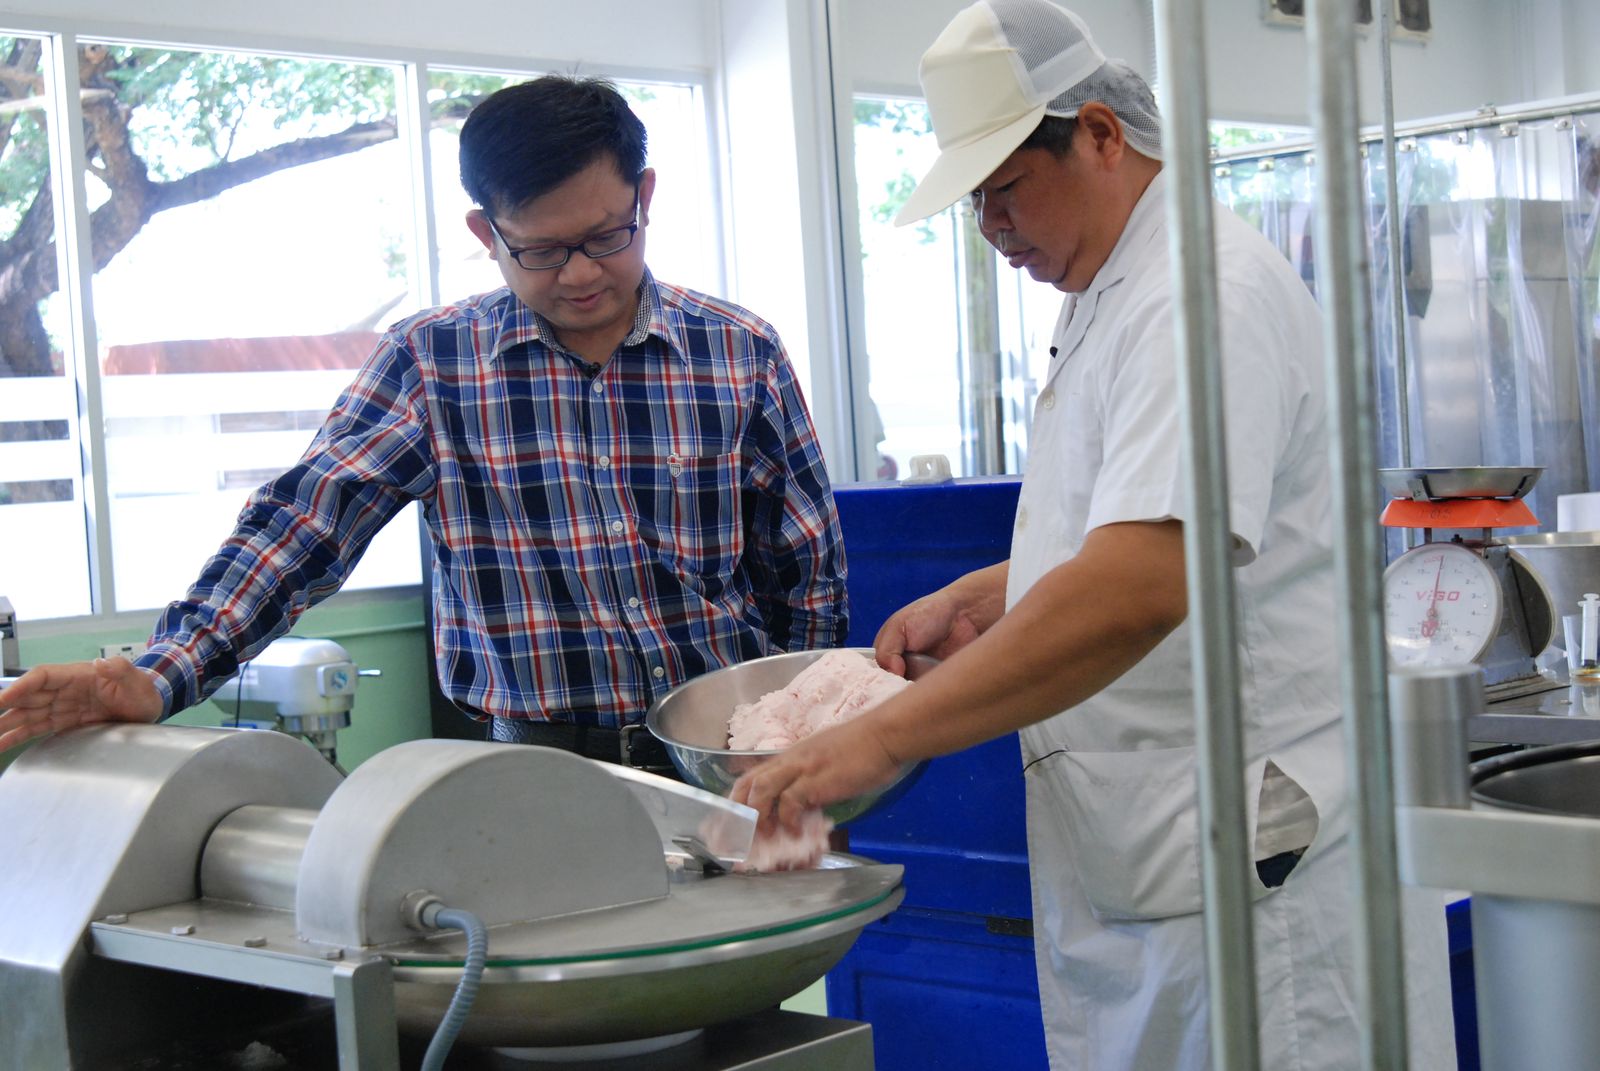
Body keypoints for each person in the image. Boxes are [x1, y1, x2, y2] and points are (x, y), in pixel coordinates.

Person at [731, 3, 1453, 1069]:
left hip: (1256, 874)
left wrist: (883, 736)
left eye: (1007, 188)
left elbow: (1142, 581)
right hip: (1161, 851)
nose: (991, 227)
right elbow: (1140, 523)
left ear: (1102, 136)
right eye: (974, 202)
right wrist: (990, 594)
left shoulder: (1199, 296)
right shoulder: (1112, 287)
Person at [0, 76, 848, 770]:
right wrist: (161, 673)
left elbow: (807, 574)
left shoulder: (739, 352)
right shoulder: (434, 363)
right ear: (487, 231)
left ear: (645, 196)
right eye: (541, 250)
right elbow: (303, 526)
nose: (581, 274)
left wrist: (812, 741)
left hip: (733, 754)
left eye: (605, 236)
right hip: (538, 773)